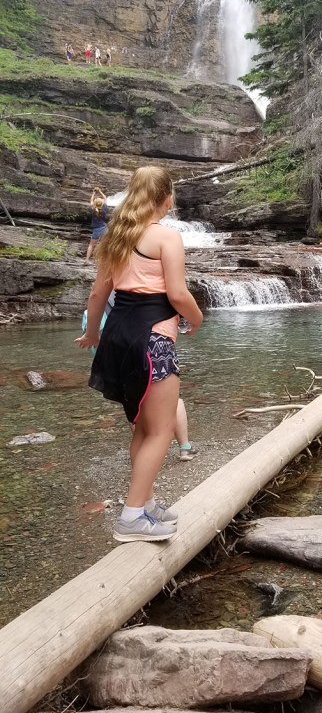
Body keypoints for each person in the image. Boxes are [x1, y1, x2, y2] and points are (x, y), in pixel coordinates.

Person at [75, 165, 203, 543]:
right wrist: (196, 318)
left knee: (143, 428)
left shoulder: (114, 235)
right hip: (153, 338)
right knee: (162, 430)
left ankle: (144, 502)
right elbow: (178, 295)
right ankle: (132, 518)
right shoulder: (166, 237)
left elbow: (99, 295)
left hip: (118, 336)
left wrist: (92, 332)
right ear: (168, 199)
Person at [82, 294, 198, 460]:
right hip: (150, 344)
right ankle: (184, 447)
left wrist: (91, 335)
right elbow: (178, 299)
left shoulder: (113, 286)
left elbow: (95, 299)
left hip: (117, 350)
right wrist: (197, 318)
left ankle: (144, 455)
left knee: (134, 404)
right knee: (173, 401)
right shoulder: (150, 283)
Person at [85, 188, 109, 263]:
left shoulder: (93, 209)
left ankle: (87, 259)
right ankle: (100, 260)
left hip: (96, 229)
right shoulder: (104, 208)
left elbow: (91, 201)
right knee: (103, 245)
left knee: (91, 245)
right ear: (102, 204)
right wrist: (100, 191)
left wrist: (94, 193)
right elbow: (105, 198)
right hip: (104, 229)